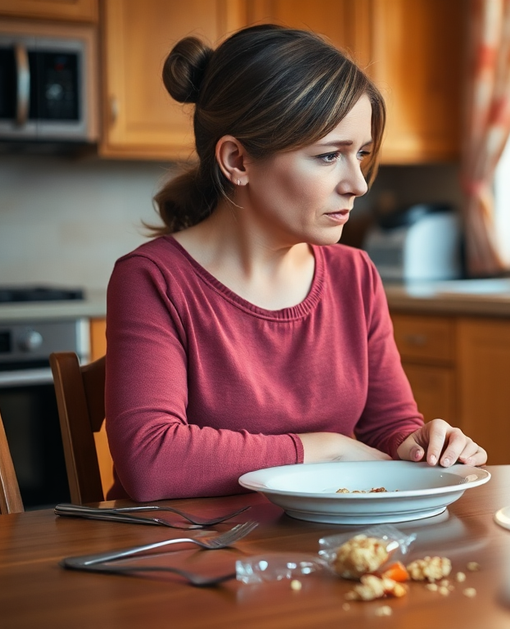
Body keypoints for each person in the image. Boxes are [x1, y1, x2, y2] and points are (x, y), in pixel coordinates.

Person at [105, 24, 486, 502]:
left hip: (319, 552)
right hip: (182, 554)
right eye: (329, 156)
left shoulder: (355, 274)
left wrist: (420, 445)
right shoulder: (154, 279)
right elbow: (150, 460)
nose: (358, 184)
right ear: (238, 161)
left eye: (361, 154)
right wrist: (322, 451)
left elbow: (386, 426)